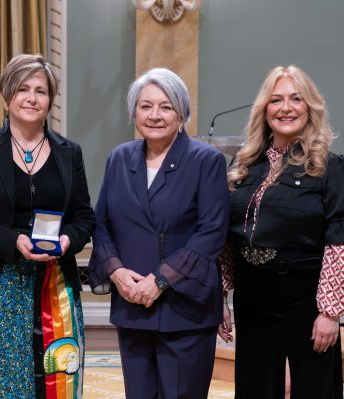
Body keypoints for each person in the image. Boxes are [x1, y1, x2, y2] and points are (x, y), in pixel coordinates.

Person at [0, 54, 94, 399]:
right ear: (6, 97)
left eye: (41, 91)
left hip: (53, 286)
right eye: (23, 89)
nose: (32, 98)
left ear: (50, 100)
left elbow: (84, 217)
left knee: (53, 380)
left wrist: (65, 240)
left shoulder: (68, 152)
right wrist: (14, 240)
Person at [218, 65, 344, 399]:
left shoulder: (333, 167)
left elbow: (343, 245)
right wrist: (220, 295)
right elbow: (227, 238)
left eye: (296, 99)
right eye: (276, 100)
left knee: (312, 389)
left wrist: (330, 313)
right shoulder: (243, 166)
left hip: (305, 298)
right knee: (255, 389)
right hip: (252, 297)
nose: (286, 108)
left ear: (311, 107)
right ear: (264, 110)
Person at [88, 68, 230, 398]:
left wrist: (160, 280)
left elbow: (211, 232)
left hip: (185, 305)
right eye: (145, 106)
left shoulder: (205, 160)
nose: (154, 115)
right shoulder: (119, 158)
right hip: (132, 302)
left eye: (165, 106)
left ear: (181, 112)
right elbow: (101, 223)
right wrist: (117, 272)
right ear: (134, 112)